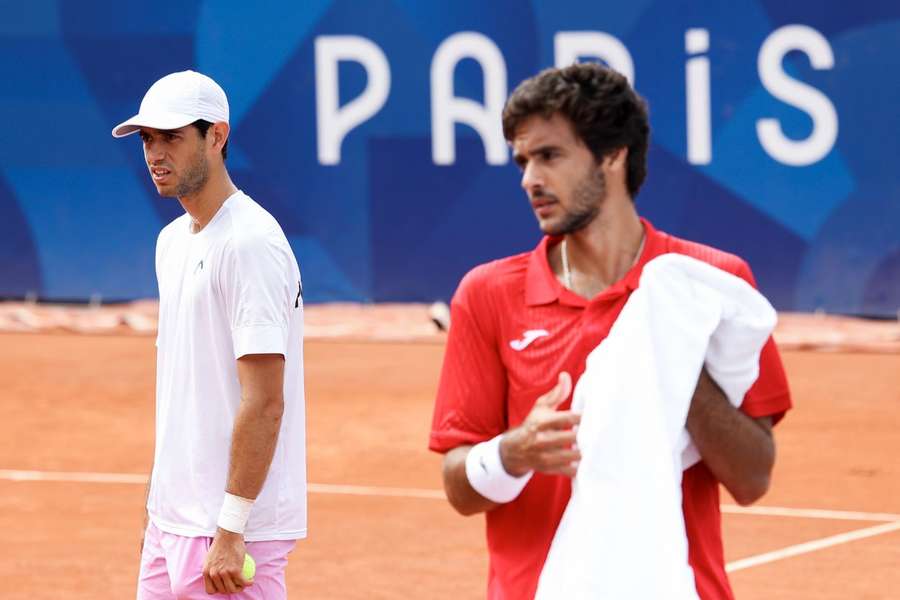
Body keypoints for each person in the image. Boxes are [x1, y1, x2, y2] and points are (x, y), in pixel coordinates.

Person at [429, 63, 791, 599]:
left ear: (613, 155)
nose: (529, 178)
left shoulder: (709, 286)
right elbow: (460, 487)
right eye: (523, 160)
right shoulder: (486, 294)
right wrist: (514, 452)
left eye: (549, 155)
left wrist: (667, 352)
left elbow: (752, 478)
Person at [112, 70, 306, 599]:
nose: (155, 153)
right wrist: (158, 510)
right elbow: (182, 391)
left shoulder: (251, 243)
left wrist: (231, 526)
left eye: (171, 137)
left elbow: (265, 402)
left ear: (216, 137)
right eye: (148, 139)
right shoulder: (171, 242)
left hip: (231, 536)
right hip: (171, 525)